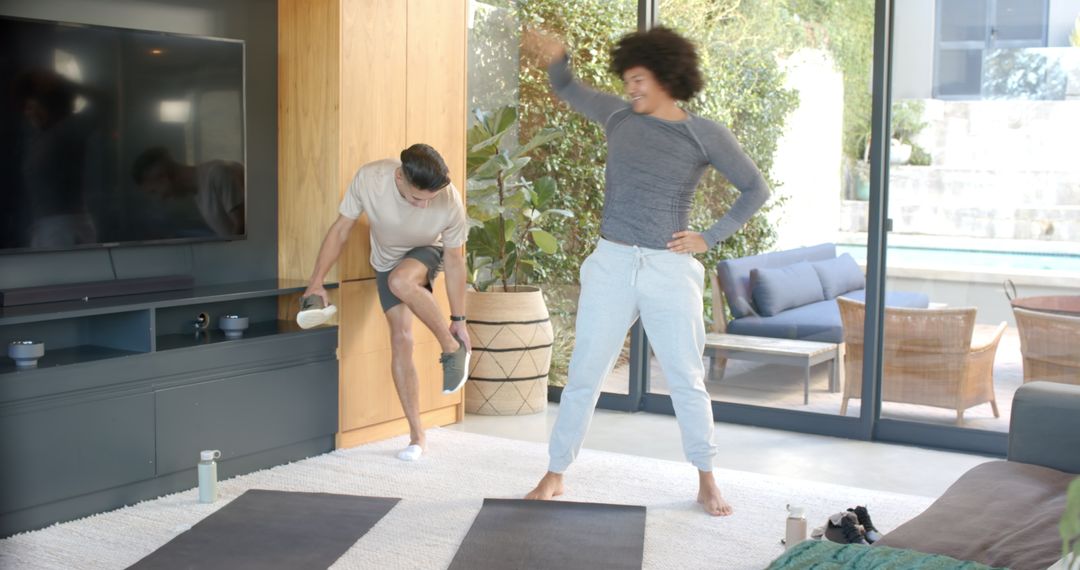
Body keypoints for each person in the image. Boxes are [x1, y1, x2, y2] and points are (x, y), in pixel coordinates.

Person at [521, 27, 771, 516]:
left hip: (668, 268)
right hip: (612, 261)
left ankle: (706, 479)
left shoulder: (704, 134)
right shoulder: (617, 116)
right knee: (584, 376)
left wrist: (709, 236)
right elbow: (570, 90)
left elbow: (754, 189)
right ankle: (555, 473)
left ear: (665, 77)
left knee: (685, 378)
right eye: (627, 80)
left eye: (638, 79)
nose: (630, 88)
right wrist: (558, 58)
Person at [302, 144, 471, 462]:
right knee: (401, 339)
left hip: (427, 252)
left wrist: (458, 318)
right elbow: (341, 230)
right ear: (400, 178)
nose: (424, 206)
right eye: (417, 198)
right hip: (385, 260)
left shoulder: (450, 201)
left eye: (430, 200)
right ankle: (417, 435)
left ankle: (452, 347)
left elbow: (454, 261)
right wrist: (316, 281)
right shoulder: (371, 179)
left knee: (401, 281)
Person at [132, 146, 245, 237]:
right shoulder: (199, 193)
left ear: (163, 177)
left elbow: (242, 227)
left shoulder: (217, 174)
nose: (161, 198)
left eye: (154, 191)